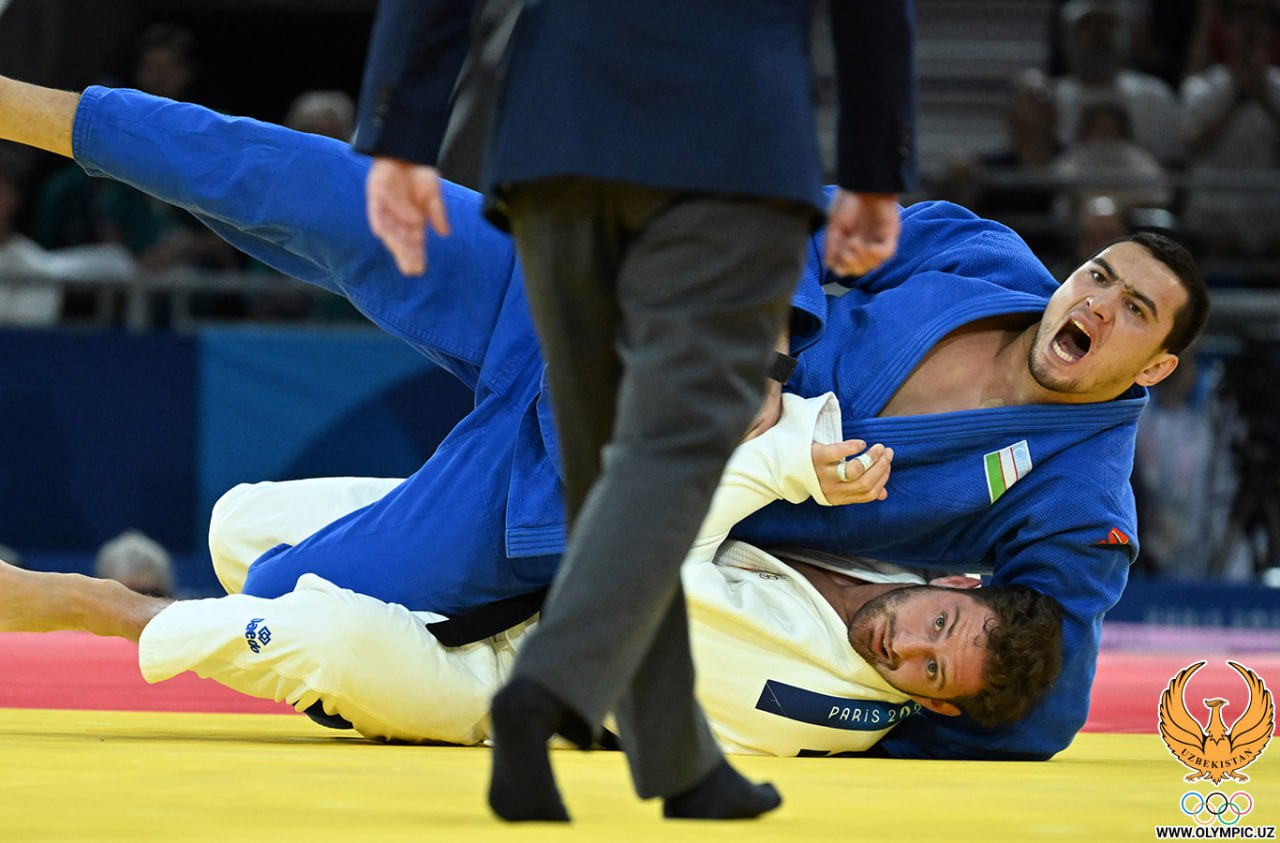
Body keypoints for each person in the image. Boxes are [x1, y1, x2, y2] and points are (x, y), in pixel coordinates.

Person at [0, 78, 1207, 769]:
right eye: (1098, 276)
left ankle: (87, 602)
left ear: (1154, 365)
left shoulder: (1074, 502)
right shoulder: (980, 256)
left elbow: (1043, 706)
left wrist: (872, 719)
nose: (1094, 304)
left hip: (558, 489)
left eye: (1131, 312)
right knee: (301, 180)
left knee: (283, 596)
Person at [359, 1, 917, 821]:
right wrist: (875, 166)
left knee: (603, 470)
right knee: (685, 441)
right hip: (734, 142)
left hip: (562, 131)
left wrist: (402, 133)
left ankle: (678, 757)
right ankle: (551, 682)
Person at [0, 392, 1064, 757]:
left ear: (933, 705)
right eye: (936, 627)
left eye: (928, 673)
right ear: (956, 587)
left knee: (329, 634)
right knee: (243, 522)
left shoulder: (826, 708)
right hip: (530, 563)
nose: (904, 646)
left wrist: (789, 454)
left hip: (497, 680)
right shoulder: (876, 556)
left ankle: (101, 605)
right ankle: (253, 611)